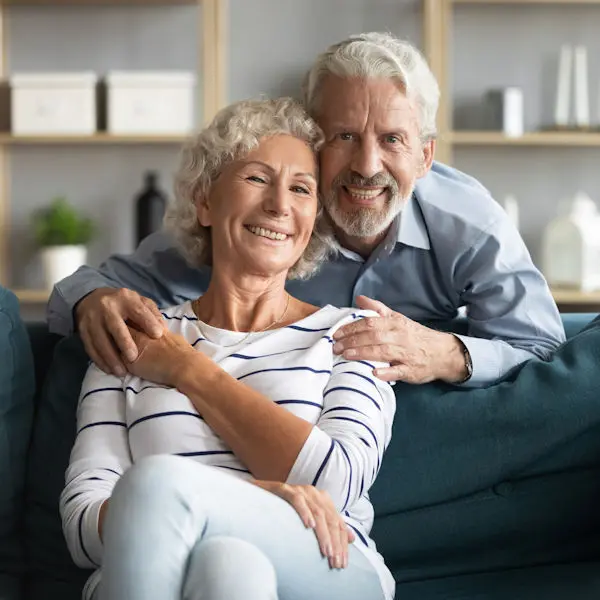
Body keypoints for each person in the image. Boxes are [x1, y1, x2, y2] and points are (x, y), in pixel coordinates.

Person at [48, 32, 565, 388]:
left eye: (392, 139)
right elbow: (88, 286)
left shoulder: (469, 223)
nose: (367, 166)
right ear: (310, 140)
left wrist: (445, 353)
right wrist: (91, 302)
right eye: (344, 136)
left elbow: (543, 348)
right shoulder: (267, 218)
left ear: (425, 155)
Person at [60, 98, 396, 600]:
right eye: (257, 179)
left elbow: (333, 484)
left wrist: (187, 368)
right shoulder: (133, 335)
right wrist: (254, 496)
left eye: (301, 189)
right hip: (168, 572)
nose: (279, 204)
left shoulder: (351, 335)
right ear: (205, 202)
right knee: (227, 565)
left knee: (154, 486)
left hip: (327, 561)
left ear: (312, 221)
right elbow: (83, 526)